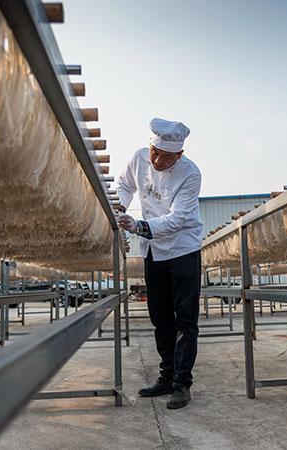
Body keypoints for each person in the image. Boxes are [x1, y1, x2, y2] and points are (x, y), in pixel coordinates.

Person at [116, 118, 203, 409]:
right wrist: (119, 208)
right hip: (154, 251)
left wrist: (139, 226)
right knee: (160, 317)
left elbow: (179, 219)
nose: (158, 160)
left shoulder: (190, 174)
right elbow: (125, 185)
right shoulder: (139, 158)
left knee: (184, 320)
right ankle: (166, 376)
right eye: (155, 152)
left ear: (179, 155)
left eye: (167, 156)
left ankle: (182, 384)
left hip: (183, 250)